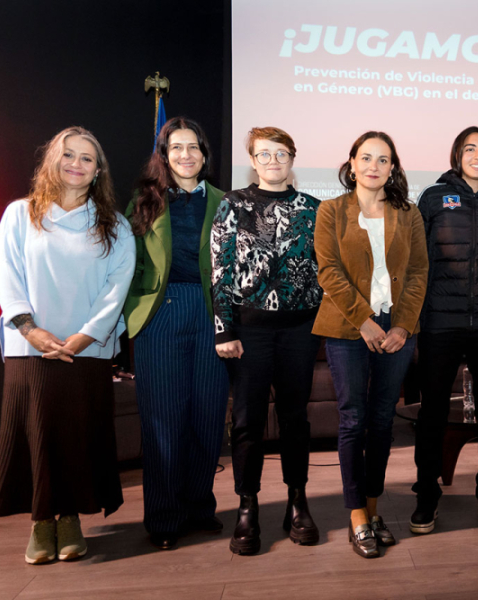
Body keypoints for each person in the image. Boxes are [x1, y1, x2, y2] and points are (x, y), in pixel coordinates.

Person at [0, 126, 136, 564]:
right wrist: (30, 329)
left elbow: (117, 286)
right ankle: (40, 522)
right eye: (68, 155)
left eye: (87, 158)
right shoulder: (20, 214)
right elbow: (6, 273)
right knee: (35, 433)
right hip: (30, 347)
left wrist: (85, 335)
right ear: (52, 161)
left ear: (98, 171)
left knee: (77, 435)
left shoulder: (115, 225)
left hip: (85, 350)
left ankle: (70, 518)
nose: (76, 163)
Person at [313, 131, 428, 558]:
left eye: (383, 159)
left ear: (393, 167)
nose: (374, 166)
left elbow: (417, 273)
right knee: (352, 419)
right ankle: (356, 513)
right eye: (366, 158)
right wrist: (364, 321)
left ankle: (374, 507)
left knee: (382, 420)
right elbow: (328, 271)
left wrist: (401, 326)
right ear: (352, 163)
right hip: (347, 327)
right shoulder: (330, 211)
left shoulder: (409, 214)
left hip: (397, 327)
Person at [211, 127, 323, 555]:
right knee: (247, 422)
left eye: (280, 153)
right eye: (264, 154)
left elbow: (324, 271)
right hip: (249, 332)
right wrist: (225, 329)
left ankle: (298, 500)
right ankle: (247, 505)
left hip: (300, 330)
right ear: (253, 160)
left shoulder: (314, 209)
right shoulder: (233, 204)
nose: (272, 161)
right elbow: (220, 270)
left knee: (296, 419)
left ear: (292, 158)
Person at [123, 117, 230, 550]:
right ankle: (164, 518)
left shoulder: (225, 201)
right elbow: (127, 264)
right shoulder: (145, 200)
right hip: (160, 315)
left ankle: (200, 507)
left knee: (207, 417)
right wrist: (133, 314)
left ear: (205, 155)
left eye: (194, 148)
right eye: (176, 148)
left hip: (212, 316)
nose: (186, 155)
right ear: (164, 155)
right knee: (163, 422)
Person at [410, 126, 478, 534]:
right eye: (470, 148)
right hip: (441, 321)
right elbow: (418, 260)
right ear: (457, 155)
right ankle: (426, 498)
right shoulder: (434, 198)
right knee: (432, 413)